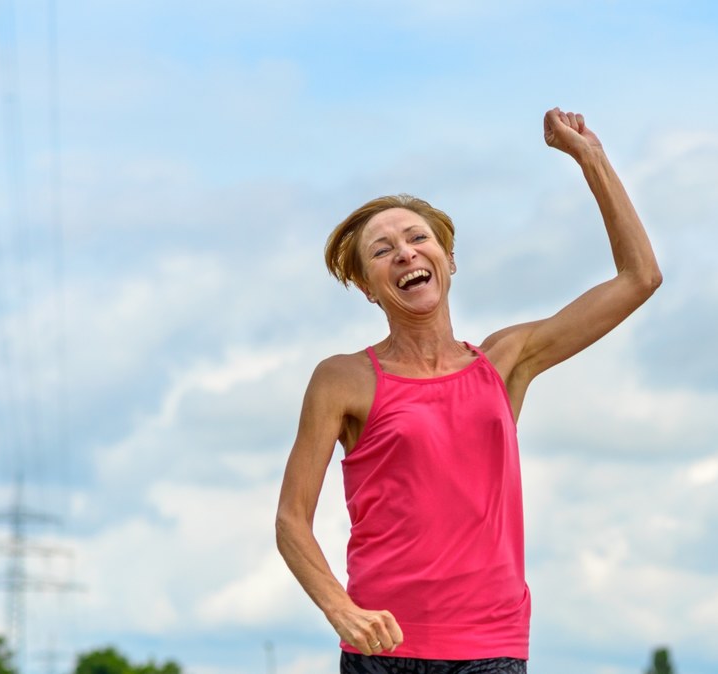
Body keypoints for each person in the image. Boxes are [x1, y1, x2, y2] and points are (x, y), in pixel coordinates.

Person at [275, 108, 662, 674]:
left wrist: (591, 159)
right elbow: (291, 520)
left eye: (417, 238)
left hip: (491, 647)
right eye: (382, 250)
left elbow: (639, 278)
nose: (404, 252)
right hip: (383, 653)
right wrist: (342, 609)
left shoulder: (505, 362)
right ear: (366, 287)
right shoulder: (342, 379)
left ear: (448, 260)